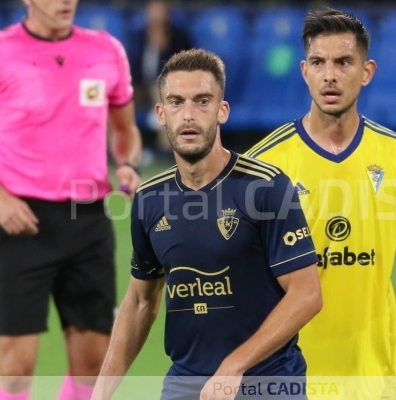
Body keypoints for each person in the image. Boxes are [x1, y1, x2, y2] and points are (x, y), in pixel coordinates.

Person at [91, 49, 323, 400]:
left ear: (222, 111)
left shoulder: (266, 187)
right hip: (186, 386)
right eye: (176, 102)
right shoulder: (150, 199)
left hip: (269, 384)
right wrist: (100, 393)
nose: (188, 115)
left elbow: (307, 295)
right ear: (160, 114)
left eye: (202, 101)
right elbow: (140, 302)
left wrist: (235, 365)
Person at [246, 9, 396, 399]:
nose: (329, 75)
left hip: (378, 381)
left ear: (367, 71)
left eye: (343, 62)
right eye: (318, 62)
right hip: (289, 382)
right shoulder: (264, 165)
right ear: (304, 71)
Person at [0, 0, 143, 399]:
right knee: (16, 368)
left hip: (88, 222)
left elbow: (125, 129)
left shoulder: (106, 50)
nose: (66, 2)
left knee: (92, 365)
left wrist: (128, 163)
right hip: (22, 222)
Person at [129, 0, 193, 159]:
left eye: (159, 14)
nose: (156, 19)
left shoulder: (178, 37)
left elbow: (189, 67)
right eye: (152, 14)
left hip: (171, 89)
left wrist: (164, 50)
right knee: (113, 100)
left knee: (165, 98)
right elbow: (132, 67)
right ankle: (122, 154)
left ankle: (165, 154)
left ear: (167, 16)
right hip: (140, 89)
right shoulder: (140, 37)